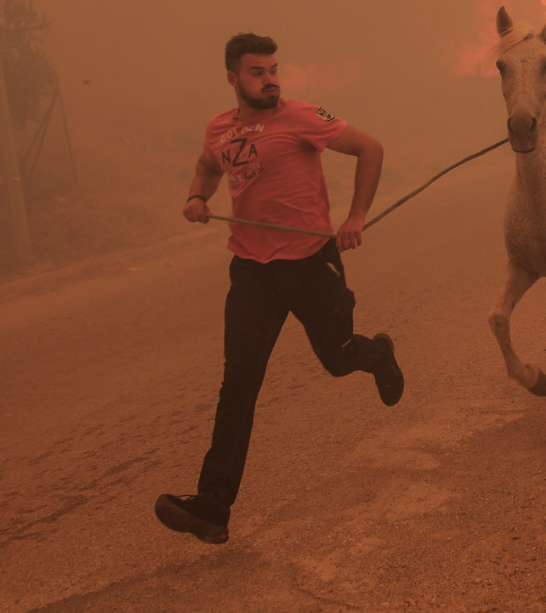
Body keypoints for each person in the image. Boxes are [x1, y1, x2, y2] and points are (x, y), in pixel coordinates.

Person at [155, 32, 403, 545]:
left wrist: (356, 216)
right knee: (239, 383)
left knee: (338, 358)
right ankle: (213, 506)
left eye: (273, 70)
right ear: (233, 78)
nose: (270, 80)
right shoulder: (219, 128)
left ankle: (378, 354)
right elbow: (208, 166)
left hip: (311, 263)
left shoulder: (303, 116)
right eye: (257, 72)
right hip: (252, 270)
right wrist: (197, 196)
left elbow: (370, 149)